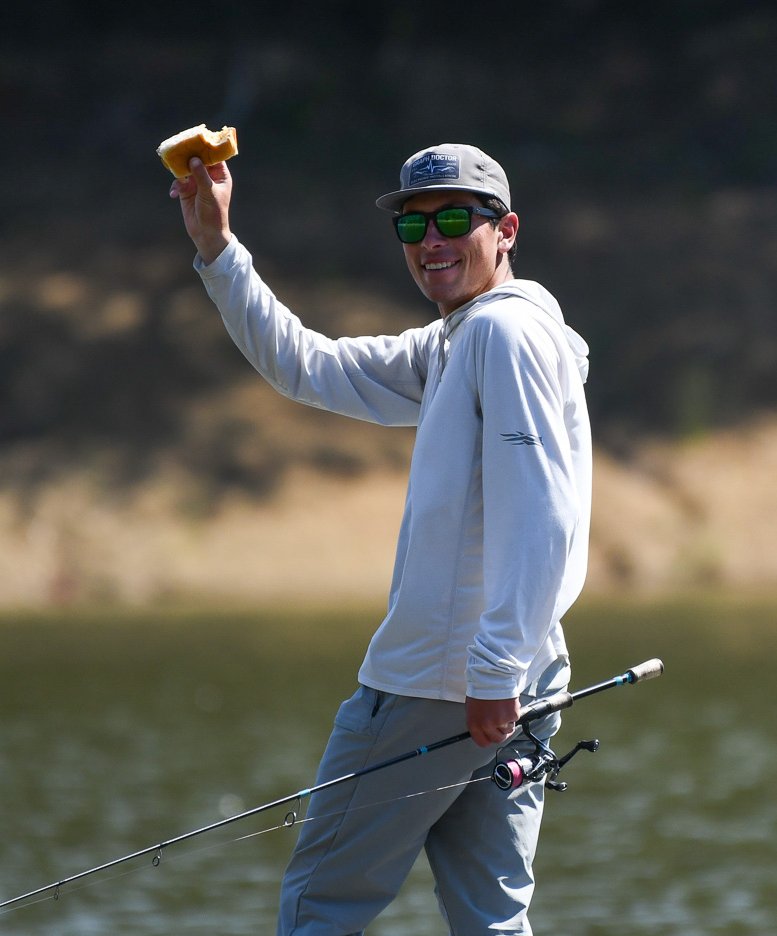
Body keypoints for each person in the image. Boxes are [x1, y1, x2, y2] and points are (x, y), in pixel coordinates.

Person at [170, 143, 592, 936]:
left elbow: (544, 513)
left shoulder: (502, 336)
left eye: (455, 220)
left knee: (320, 907)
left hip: (449, 683)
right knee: (493, 920)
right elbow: (307, 366)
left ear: (505, 230)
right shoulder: (457, 340)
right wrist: (218, 249)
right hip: (511, 682)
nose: (431, 241)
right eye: (412, 224)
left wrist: (494, 669)